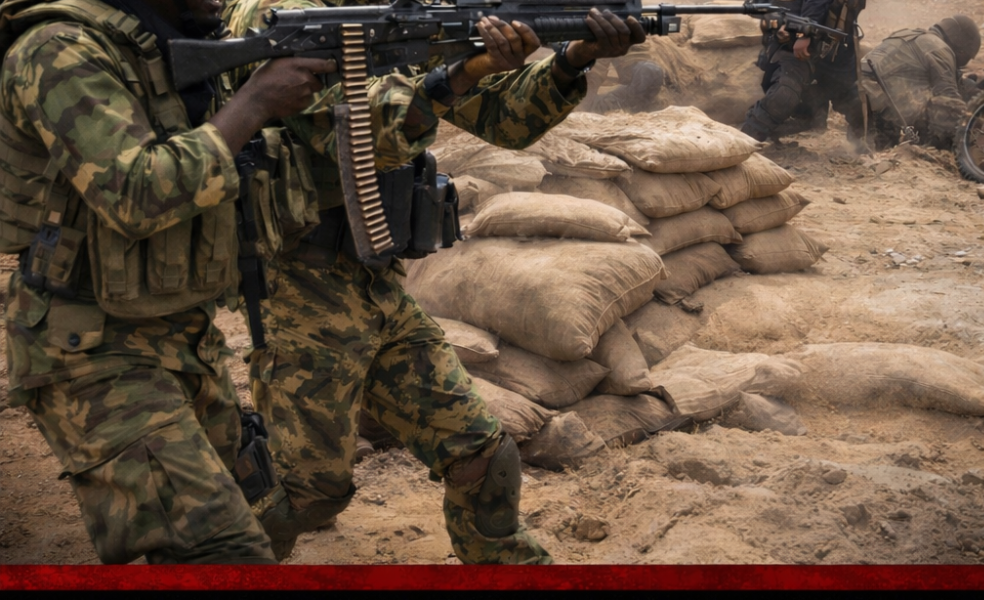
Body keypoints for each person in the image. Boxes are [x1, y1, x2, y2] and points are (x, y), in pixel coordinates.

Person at [222, 0, 646, 564]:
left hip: (375, 280)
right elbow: (360, 128)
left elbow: (504, 118)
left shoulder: (395, 13)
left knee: (482, 455)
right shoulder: (279, 16)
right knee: (307, 496)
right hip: (297, 285)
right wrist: (462, 70)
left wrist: (572, 58)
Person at [0, 0, 358, 564]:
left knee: (249, 512)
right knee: (223, 552)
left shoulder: (168, 44)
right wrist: (256, 101)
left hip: (183, 332)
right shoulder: (57, 50)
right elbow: (133, 193)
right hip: (86, 344)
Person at [741, 0, 866, 142]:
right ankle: (746, 139)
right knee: (784, 94)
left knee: (857, 104)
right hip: (795, 49)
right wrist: (803, 33)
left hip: (836, 51)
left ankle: (865, 140)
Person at [859, 15, 982, 150]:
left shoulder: (906, 34)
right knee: (948, 112)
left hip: (858, 97)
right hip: (883, 107)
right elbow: (949, 98)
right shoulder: (939, 49)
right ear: (961, 50)